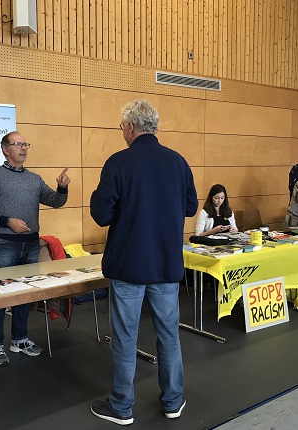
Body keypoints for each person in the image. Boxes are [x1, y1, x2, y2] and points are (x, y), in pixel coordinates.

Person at [89, 99, 198, 425]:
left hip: (129, 266)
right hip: (166, 264)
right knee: (169, 335)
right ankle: (173, 401)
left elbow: (101, 214)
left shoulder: (118, 163)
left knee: (125, 337)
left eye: (121, 127)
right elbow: (190, 207)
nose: (122, 132)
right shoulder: (178, 161)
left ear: (130, 127)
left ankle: (122, 407)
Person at [0, 131, 70, 365]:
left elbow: (55, 202)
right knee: (0, 295)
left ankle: (20, 339)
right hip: (5, 244)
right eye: (18, 144)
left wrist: (61, 188)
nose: (23, 148)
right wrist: (8, 221)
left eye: (25, 144)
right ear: (5, 149)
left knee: (25, 294)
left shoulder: (34, 179)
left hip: (30, 244)